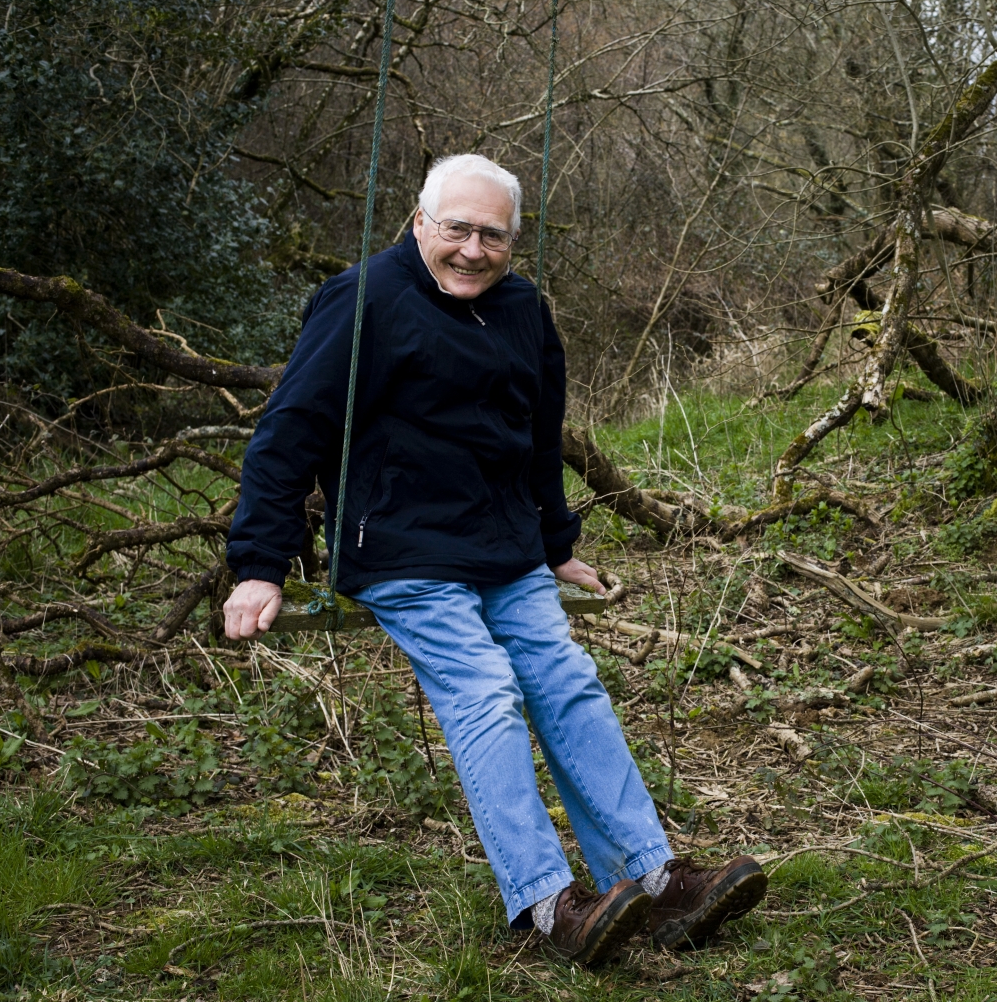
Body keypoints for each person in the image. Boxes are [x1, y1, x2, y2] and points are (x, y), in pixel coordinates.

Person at [221, 153, 766, 964]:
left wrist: (556, 546)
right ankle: (552, 904)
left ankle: (655, 881)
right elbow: (289, 430)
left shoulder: (520, 309)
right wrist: (261, 562)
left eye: (493, 236)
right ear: (419, 223)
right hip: (401, 548)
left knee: (566, 681)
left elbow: (535, 438)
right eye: (457, 230)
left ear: (513, 241)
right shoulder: (363, 299)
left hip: (505, 548)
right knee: (484, 691)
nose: (473, 250)